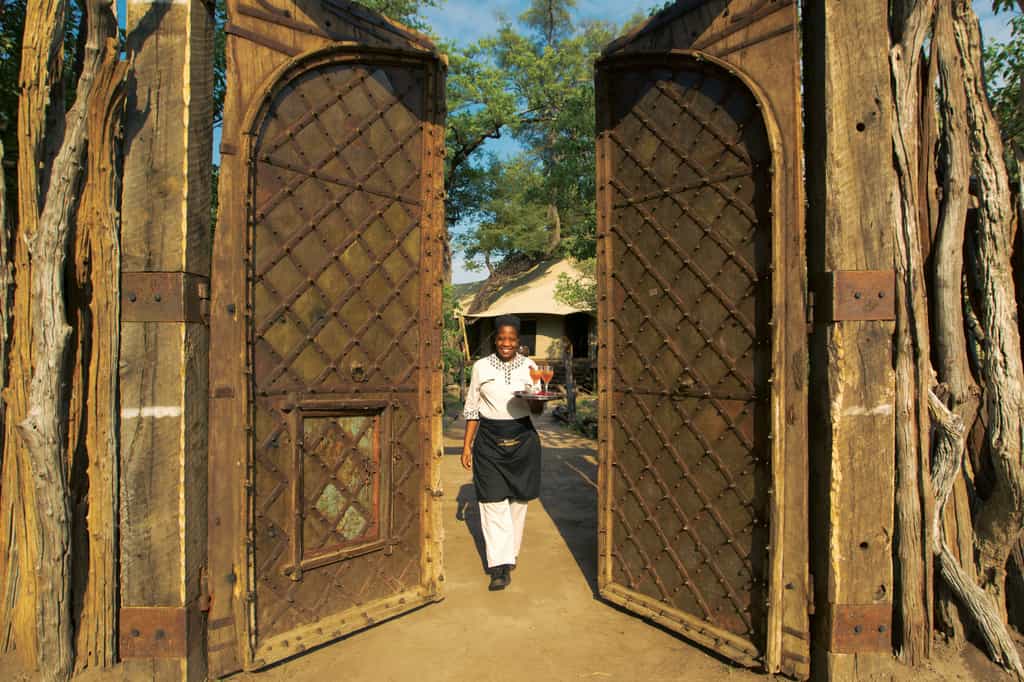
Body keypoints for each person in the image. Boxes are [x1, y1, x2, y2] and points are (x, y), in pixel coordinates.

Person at [461, 315, 546, 591]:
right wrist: (466, 445)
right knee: (492, 501)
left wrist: (536, 396)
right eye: (501, 338)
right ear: (495, 339)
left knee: (518, 503)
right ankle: (499, 567)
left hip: (523, 439)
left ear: (518, 341)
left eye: (511, 339)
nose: (506, 344)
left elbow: (538, 409)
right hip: (488, 440)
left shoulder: (530, 366)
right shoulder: (481, 367)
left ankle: (509, 555)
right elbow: (472, 407)